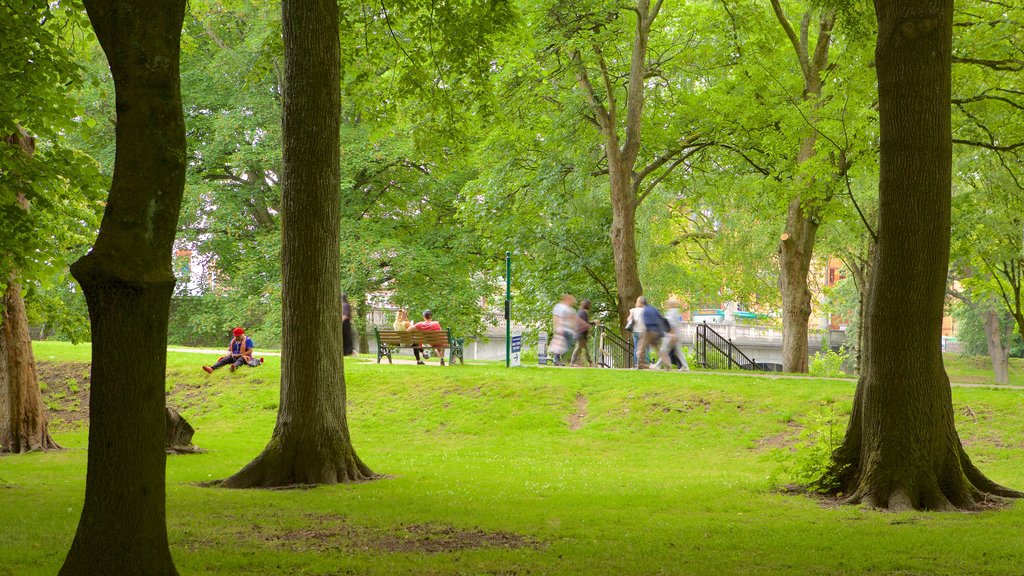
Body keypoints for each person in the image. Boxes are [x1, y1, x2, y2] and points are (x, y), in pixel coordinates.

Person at [640, 301, 672, 370]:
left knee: (641, 348)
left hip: (649, 331)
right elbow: (660, 318)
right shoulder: (654, 309)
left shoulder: (645, 310)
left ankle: (641, 365)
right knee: (658, 349)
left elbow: (646, 322)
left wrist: (644, 330)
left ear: (641, 303)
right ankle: (667, 363)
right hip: (657, 332)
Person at [661, 298, 690, 371]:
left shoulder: (671, 312)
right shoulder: (677, 312)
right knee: (677, 352)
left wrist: (672, 333)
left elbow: (671, 323)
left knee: (664, 350)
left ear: (670, 305)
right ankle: (685, 367)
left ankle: (663, 366)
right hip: (676, 334)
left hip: (671, 335)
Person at [550, 294, 577, 366]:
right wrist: (558, 327)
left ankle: (557, 360)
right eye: (571, 300)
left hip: (569, 330)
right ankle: (557, 359)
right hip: (562, 329)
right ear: (566, 299)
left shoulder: (571, 309)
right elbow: (557, 317)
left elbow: (572, 320)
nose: (572, 302)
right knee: (561, 345)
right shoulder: (559, 307)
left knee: (567, 345)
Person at [570, 299, 596, 367]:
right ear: (587, 305)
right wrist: (593, 322)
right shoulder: (583, 312)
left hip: (579, 333)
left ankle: (591, 363)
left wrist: (592, 323)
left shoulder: (580, 312)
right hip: (580, 334)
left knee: (585, 349)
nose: (590, 306)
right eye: (590, 305)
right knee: (578, 348)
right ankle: (572, 362)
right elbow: (585, 323)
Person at [626, 296, 646, 368]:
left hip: (635, 331)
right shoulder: (645, 310)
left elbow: (628, 319)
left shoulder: (633, 310)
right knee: (643, 348)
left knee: (636, 348)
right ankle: (642, 363)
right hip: (643, 331)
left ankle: (636, 364)